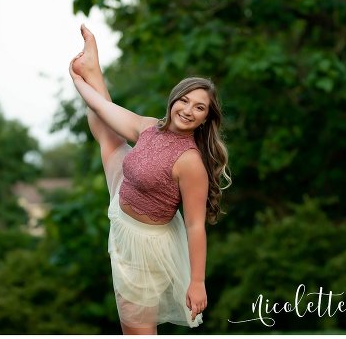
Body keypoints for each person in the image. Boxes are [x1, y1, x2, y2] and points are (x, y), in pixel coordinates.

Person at [69, 25, 230, 335]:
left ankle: (91, 71)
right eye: (185, 101)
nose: (188, 111)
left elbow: (195, 226)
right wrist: (78, 80)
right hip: (124, 197)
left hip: (145, 243)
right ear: (174, 99)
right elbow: (103, 107)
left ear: (206, 119)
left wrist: (197, 282)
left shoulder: (190, 162)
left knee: (136, 329)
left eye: (200, 108)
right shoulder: (149, 128)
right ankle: (93, 69)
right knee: (109, 135)